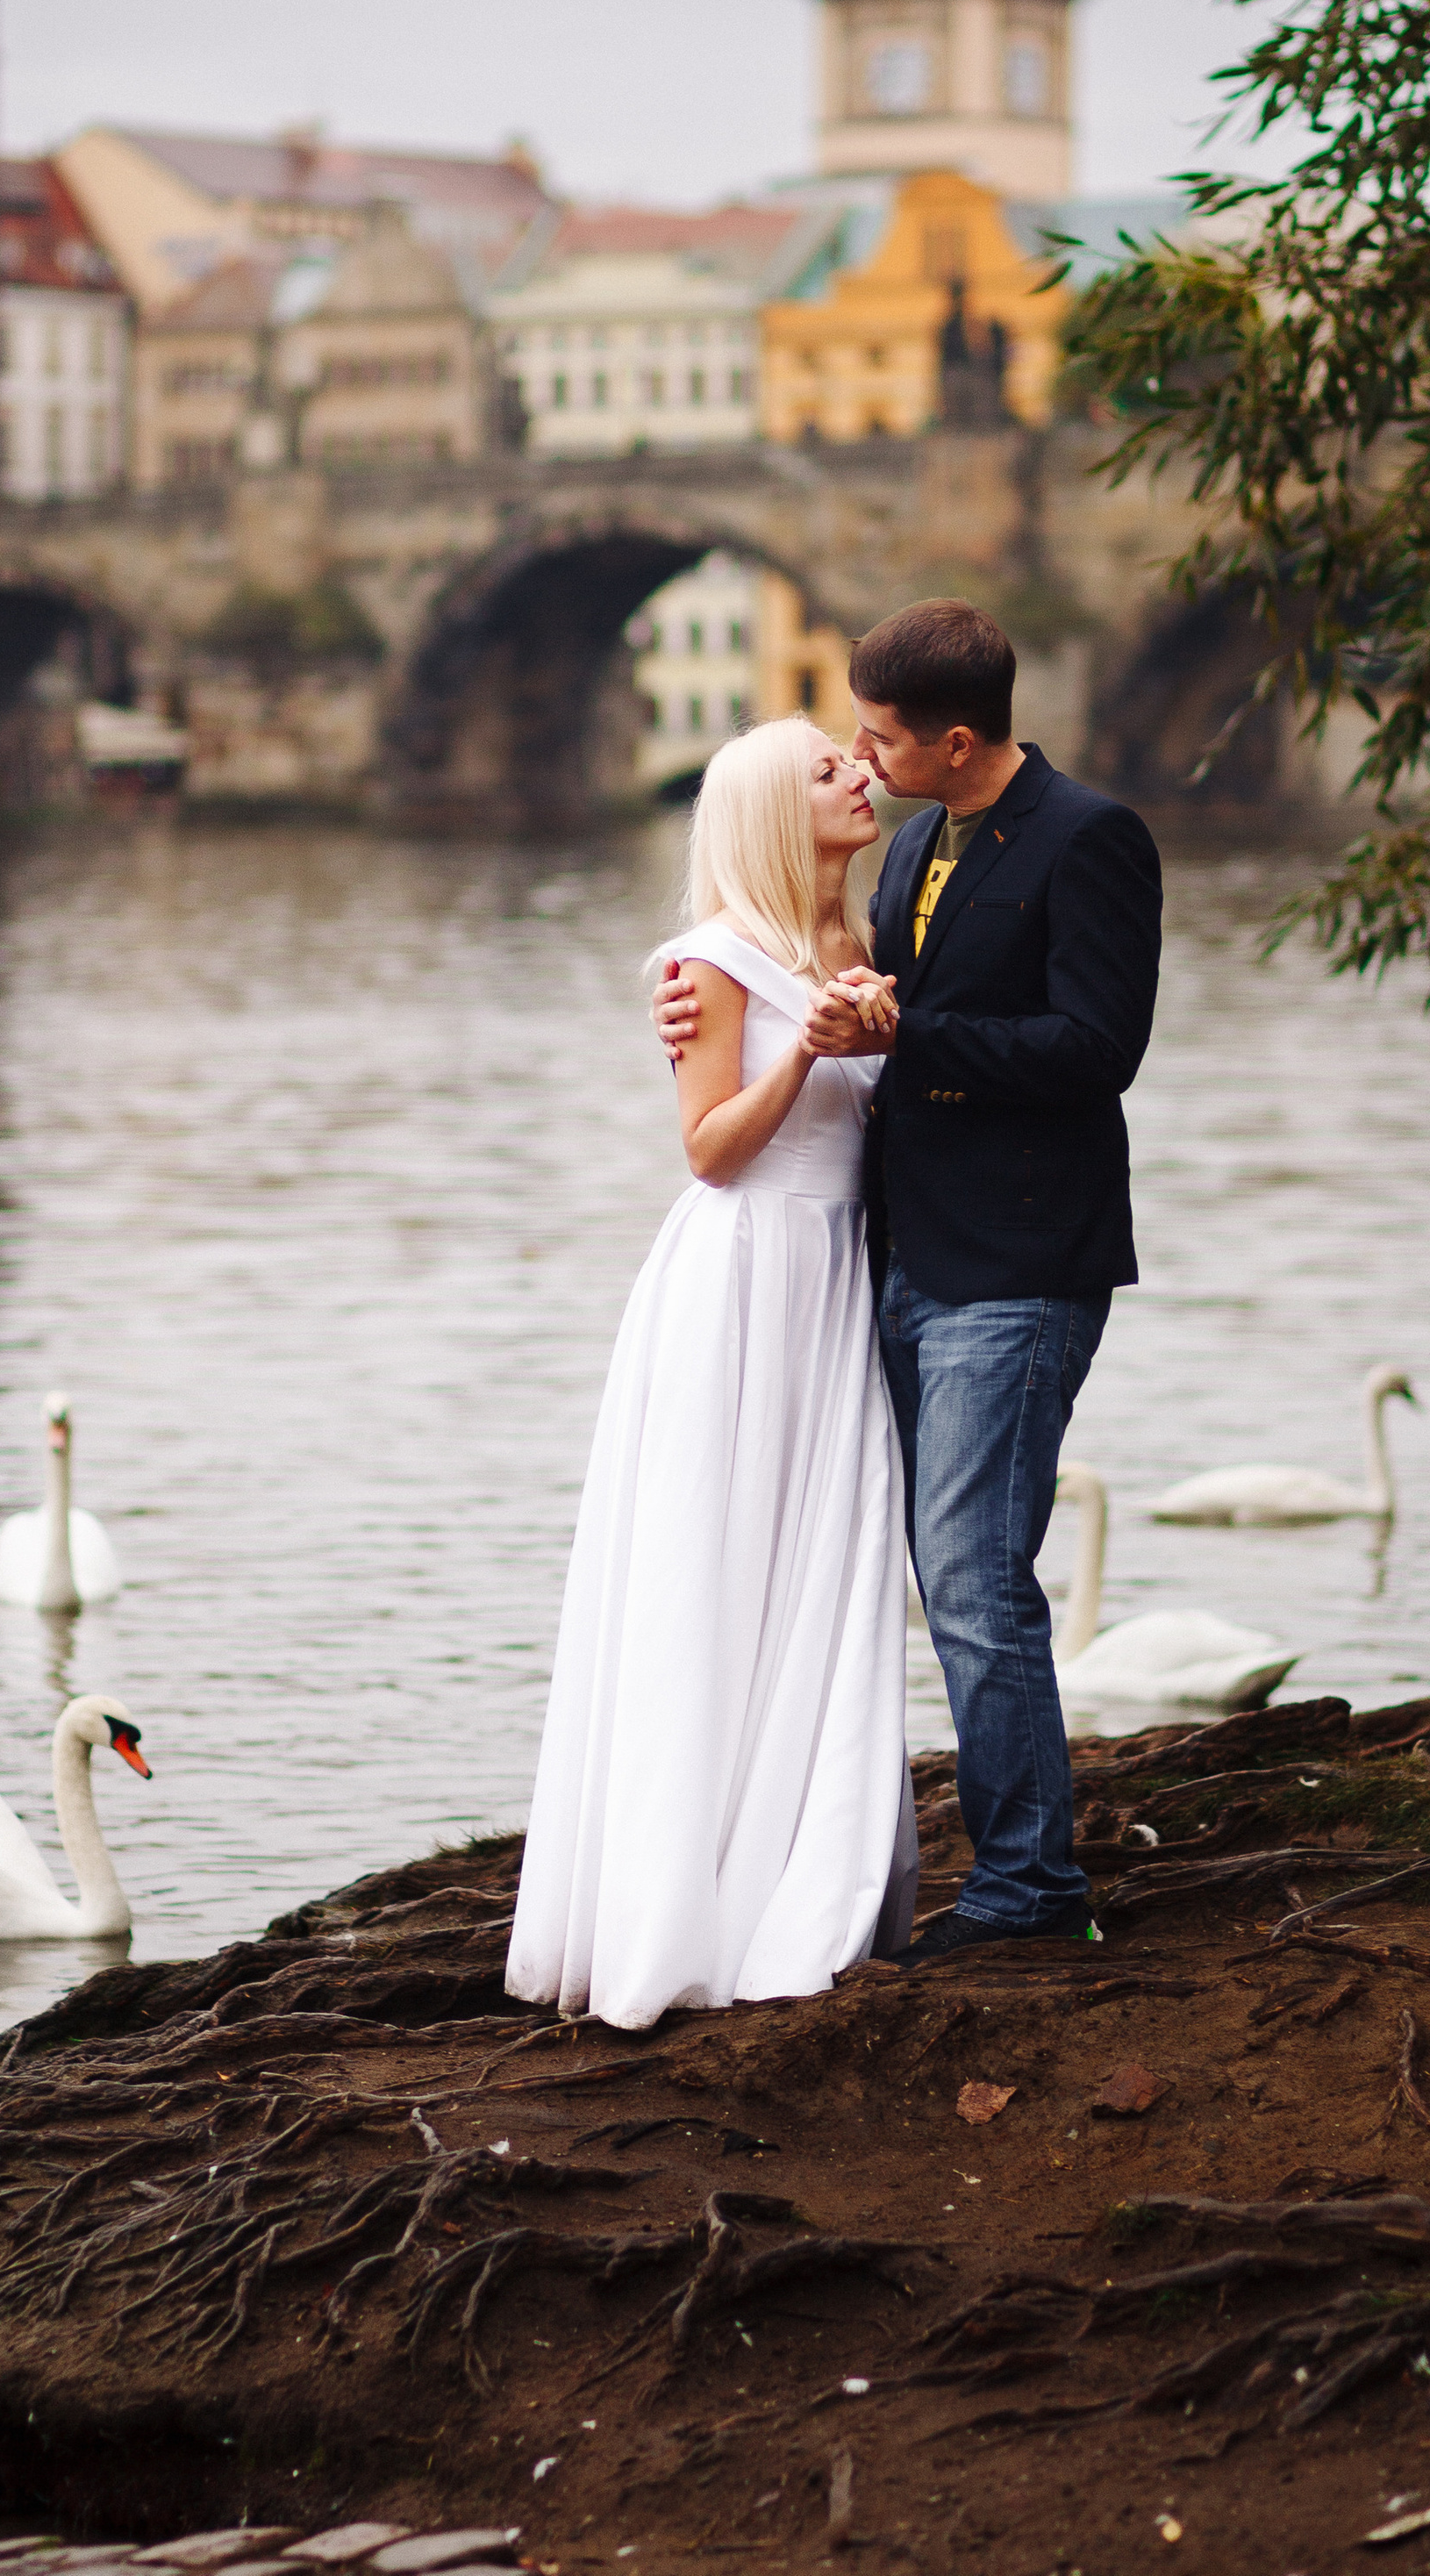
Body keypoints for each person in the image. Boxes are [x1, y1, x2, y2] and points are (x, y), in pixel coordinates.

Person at [653, 602, 1162, 1962]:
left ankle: (1030, 1889)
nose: (863, 760)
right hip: (899, 1258)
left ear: (957, 740)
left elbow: (1098, 1051)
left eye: (878, 738)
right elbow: (803, 971)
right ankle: (846, 1853)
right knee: (897, 1562)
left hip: (1019, 1260)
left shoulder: (1090, 838)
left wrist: (908, 1030)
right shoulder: (918, 846)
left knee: (974, 1573)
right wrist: (701, 998)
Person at [505, 718, 919, 2032]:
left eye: (853, 759)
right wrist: (808, 1053)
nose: (858, 774)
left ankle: (807, 1861)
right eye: (826, 770)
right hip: (744, 1280)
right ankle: (683, 1900)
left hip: (840, 1280)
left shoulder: (872, 943)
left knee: (823, 1563)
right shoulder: (713, 962)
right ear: (770, 813)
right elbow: (711, 1152)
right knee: (716, 1563)